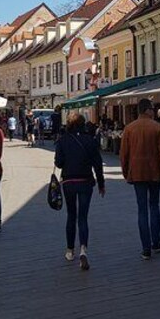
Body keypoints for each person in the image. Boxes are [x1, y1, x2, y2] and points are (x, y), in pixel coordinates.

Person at [119, 98, 160, 260]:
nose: (154, 112)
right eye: (152, 109)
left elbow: (123, 154)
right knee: (154, 206)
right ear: (147, 110)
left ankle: (145, 248)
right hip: (154, 173)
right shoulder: (157, 127)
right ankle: (156, 242)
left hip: (137, 173)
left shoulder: (129, 128)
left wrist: (126, 172)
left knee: (142, 209)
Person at [54, 112, 105, 271]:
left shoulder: (62, 140)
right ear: (83, 124)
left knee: (71, 216)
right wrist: (101, 183)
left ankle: (70, 250)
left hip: (69, 181)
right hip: (85, 181)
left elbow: (59, 163)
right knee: (83, 217)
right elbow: (97, 164)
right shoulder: (90, 140)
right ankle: (83, 248)